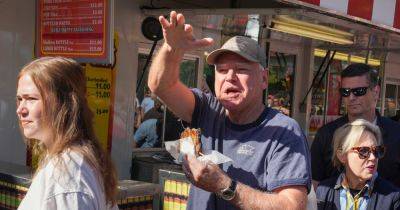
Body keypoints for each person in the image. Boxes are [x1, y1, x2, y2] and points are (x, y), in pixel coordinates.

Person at [148, 11, 311, 209]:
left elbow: (292, 206)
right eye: (222, 70)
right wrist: (171, 49)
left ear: (264, 79)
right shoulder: (207, 110)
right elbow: (161, 86)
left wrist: (224, 185)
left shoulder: (284, 131)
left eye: (241, 69)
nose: (230, 77)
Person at [16, 57, 118, 210]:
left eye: (31, 99)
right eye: (19, 99)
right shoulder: (68, 163)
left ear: (63, 104)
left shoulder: (69, 173)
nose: (20, 110)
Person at [311, 63, 400, 189]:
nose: (351, 97)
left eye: (359, 91)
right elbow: (314, 184)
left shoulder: (396, 134)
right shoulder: (326, 134)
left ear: (376, 92)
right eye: (345, 92)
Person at [316, 119, 400, 210]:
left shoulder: (392, 197)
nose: (373, 157)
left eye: (377, 151)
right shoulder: (324, 191)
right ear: (342, 155)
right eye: (363, 151)